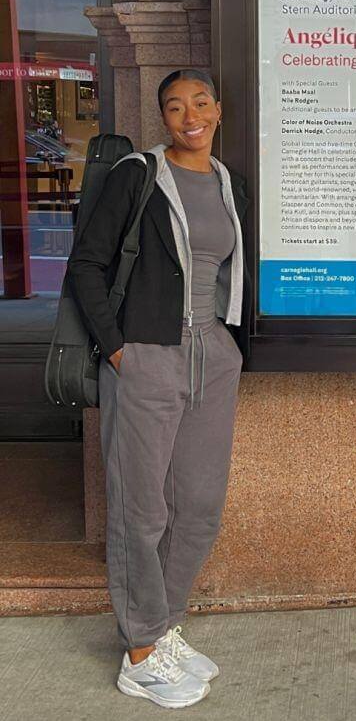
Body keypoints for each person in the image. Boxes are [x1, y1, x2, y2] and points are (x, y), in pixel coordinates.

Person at [69, 69, 250, 708]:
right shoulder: (138, 176)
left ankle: (166, 625)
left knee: (198, 506)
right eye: (174, 106)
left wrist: (230, 345)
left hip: (212, 358)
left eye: (199, 102)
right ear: (163, 119)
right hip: (146, 354)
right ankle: (140, 650)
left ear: (218, 111)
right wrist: (118, 347)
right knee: (141, 509)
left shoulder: (228, 183)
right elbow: (87, 263)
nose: (188, 114)